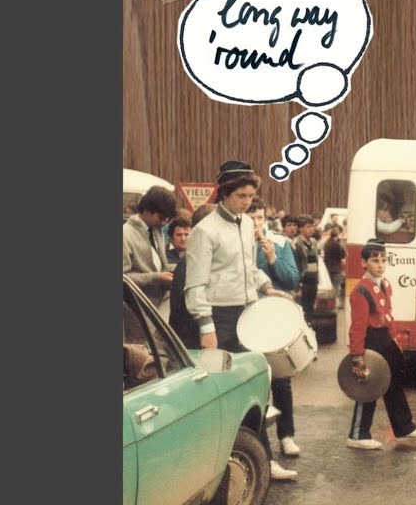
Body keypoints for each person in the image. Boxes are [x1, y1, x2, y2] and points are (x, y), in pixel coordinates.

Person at [183, 160, 298, 482]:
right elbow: (195, 285)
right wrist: (206, 327)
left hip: (247, 316)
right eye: (241, 196)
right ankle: (212, 467)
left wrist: (268, 288)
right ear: (225, 193)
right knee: (219, 394)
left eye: (250, 196)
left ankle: (262, 460)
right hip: (218, 320)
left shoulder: (247, 225)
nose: (247, 202)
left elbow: (251, 269)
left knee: (254, 390)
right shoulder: (204, 231)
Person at [346, 239, 416, 449]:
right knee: (368, 385)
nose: (381, 265)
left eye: (384, 260)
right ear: (364, 263)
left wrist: (394, 339)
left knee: (393, 381)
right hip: (370, 340)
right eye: (375, 261)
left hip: (384, 339)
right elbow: (357, 328)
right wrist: (357, 356)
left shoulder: (385, 284)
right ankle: (357, 435)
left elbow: (388, 315)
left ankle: (404, 427)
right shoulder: (360, 291)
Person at [248, 199, 304, 459]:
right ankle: (256, 443)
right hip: (248, 317)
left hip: (274, 316)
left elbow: (292, 279)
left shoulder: (280, 242)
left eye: (260, 218)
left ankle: (286, 435)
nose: (256, 224)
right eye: (252, 219)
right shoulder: (238, 243)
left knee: (281, 378)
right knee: (253, 380)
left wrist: (272, 258)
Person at [122, 185, 178, 316]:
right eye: (161, 217)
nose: (164, 223)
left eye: (168, 219)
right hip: (137, 310)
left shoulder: (156, 229)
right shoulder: (125, 234)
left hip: (159, 305)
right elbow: (124, 278)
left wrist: (179, 268)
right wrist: (156, 278)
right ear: (146, 211)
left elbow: (159, 265)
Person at [164, 215, 199, 349]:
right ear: (171, 237)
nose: (183, 239)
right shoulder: (163, 254)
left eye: (187, 234)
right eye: (179, 235)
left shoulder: (197, 254)